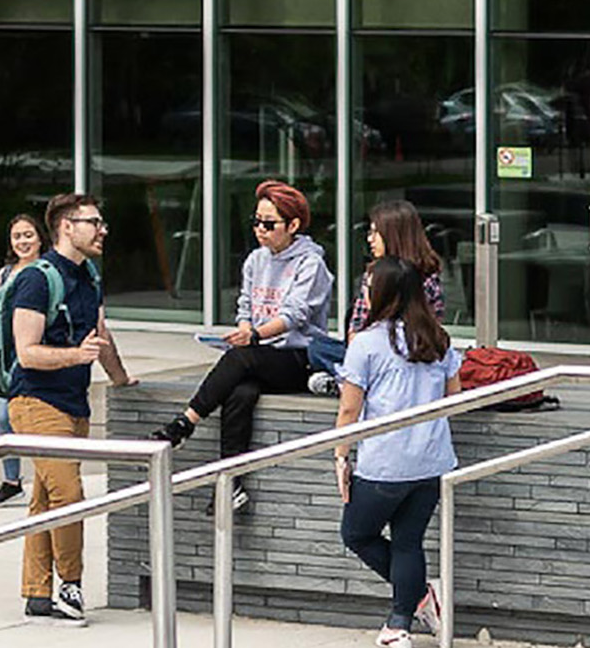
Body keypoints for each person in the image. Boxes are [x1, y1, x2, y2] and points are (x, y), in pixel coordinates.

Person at [150, 179, 333, 515]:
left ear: (293, 225)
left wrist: (254, 337)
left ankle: (186, 422)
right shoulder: (255, 260)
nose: (260, 230)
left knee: (243, 359)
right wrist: (245, 329)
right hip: (258, 357)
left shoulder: (311, 264)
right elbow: (246, 306)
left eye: (269, 223)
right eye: (256, 221)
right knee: (240, 392)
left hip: (300, 358)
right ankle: (231, 483)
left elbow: (295, 315)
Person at [6, 192, 129, 626]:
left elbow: (100, 333)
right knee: (69, 496)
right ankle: (71, 586)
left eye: (101, 222)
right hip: (36, 402)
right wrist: (77, 356)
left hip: (75, 404)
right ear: (66, 227)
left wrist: (122, 381)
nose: (102, 230)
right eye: (93, 222)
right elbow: (27, 353)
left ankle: (37, 594)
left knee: (45, 501)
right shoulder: (37, 281)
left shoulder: (89, 275)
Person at [333, 256, 460, 648]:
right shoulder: (437, 337)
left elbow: (349, 409)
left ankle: (417, 599)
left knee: (356, 532)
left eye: (370, 286)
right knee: (407, 541)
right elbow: (453, 395)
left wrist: (341, 456)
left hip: (386, 463)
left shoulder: (367, 344)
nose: (365, 292)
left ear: (384, 292)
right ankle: (400, 622)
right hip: (434, 460)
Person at [307, 199, 446, 397]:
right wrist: (360, 348)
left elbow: (430, 332)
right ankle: (352, 379)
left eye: (375, 233)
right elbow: (356, 327)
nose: (369, 239)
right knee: (317, 347)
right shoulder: (373, 273)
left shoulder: (424, 277)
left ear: (392, 235)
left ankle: (346, 383)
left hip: (408, 352)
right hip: (369, 349)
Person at [0, 213, 44, 508]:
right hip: (4, 357)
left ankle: (45, 478)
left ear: (40, 237)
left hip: (33, 354)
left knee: (33, 420)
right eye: (17, 236)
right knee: (4, 419)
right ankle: (11, 480)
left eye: (28, 235)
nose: (22, 241)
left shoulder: (46, 271)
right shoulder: (4, 275)